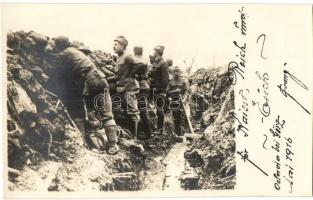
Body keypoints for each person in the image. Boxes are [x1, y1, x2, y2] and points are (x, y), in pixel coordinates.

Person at [54, 36, 119, 155]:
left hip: (90, 81)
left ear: (59, 45)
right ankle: (112, 146)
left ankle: (85, 143)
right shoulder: (78, 53)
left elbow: (54, 67)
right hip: (101, 78)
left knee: (89, 111)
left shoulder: (65, 53)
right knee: (107, 114)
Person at [112, 36, 142, 139]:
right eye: (114, 44)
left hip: (130, 88)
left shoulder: (127, 55)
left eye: (116, 44)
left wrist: (131, 73)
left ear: (123, 46)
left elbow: (141, 63)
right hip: (122, 88)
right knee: (126, 112)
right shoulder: (119, 57)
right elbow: (118, 74)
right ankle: (129, 134)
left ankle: (135, 137)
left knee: (132, 112)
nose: (114, 46)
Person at [148, 45, 169, 135]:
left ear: (157, 52)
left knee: (159, 109)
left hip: (159, 90)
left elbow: (165, 79)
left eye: (154, 52)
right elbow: (152, 74)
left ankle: (160, 129)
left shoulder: (163, 63)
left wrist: (162, 91)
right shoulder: (156, 63)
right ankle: (154, 126)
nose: (153, 53)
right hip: (152, 88)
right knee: (152, 107)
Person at [133, 46, 152, 139]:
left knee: (141, 110)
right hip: (143, 86)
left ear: (135, 52)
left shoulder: (139, 61)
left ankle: (147, 134)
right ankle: (146, 133)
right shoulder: (144, 59)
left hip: (141, 86)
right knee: (142, 110)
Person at [167, 67, 190, 137]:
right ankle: (178, 133)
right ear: (173, 73)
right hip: (174, 101)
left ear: (179, 73)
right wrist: (175, 91)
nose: (176, 74)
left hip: (183, 101)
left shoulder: (184, 81)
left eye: (177, 72)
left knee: (185, 117)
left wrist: (185, 98)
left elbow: (187, 91)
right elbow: (167, 91)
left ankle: (186, 132)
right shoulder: (170, 82)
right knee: (176, 117)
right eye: (174, 72)